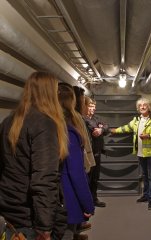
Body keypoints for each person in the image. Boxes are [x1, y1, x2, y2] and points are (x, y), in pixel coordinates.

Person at [0, 71, 68, 240]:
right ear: (50, 92)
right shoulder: (45, 123)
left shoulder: (9, 121)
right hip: (31, 218)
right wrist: (44, 227)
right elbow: (44, 179)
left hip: (9, 211)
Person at [111, 98, 151, 210]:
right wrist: (114, 131)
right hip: (140, 153)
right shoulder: (136, 120)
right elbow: (126, 128)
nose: (143, 107)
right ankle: (145, 195)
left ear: (149, 107)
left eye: (145, 105)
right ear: (138, 108)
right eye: (140, 105)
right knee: (144, 176)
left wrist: (149, 135)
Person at [58, 84, 94, 240]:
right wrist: (87, 203)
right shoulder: (69, 130)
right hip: (67, 195)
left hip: (52, 196)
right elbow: (75, 172)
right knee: (66, 232)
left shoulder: (51, 124)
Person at [83, 97, 109, 208]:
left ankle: (94, 198)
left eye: (94, 106)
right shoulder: (82, 119)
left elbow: (106, 126)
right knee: (87, 178)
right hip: (87, 154)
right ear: (84, 106)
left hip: (97, 153)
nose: (93, 109)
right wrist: (97, 128)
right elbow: (91, 128)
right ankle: (86, 201)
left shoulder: (96, 118)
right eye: (90, 106)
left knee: (95, 178)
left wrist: (101, 130)